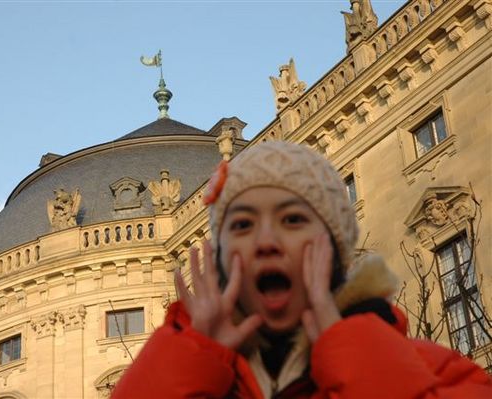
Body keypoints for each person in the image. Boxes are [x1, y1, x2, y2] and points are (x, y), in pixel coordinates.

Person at [111, 141, 492, 398]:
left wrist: (352, 347)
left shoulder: (438, 371)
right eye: (242, 225)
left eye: (292, 219)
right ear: (220, 261)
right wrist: (190, 355)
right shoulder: (199, 380)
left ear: (334, 247)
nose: (266, 241)